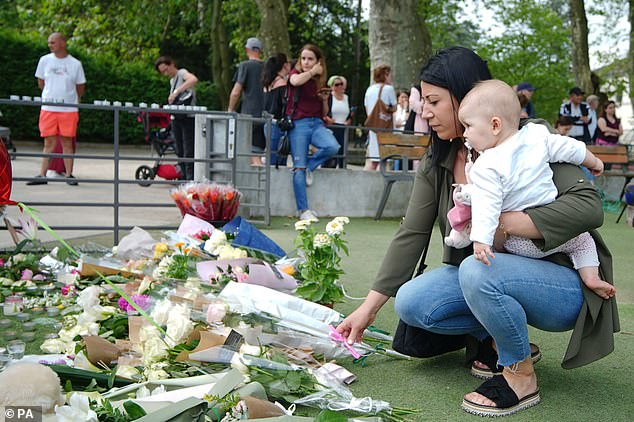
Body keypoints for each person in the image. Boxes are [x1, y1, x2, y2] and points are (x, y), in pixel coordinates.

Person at [336, 47, 618, 417]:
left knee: (474, 268)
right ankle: (502, 340)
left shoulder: (527, 141)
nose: (425, 111)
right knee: (412, 302)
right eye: (424, 100)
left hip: (565, 278)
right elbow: (412, 232)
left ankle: (520, 376)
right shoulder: (437, 159)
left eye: (435, 101)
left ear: (468, 97)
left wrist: (501, 222)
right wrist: (368, 310)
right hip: (493, 271)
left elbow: (588, 207)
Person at [454, 79, 615, 299]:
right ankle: (591, 277)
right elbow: (567, 147)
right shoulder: (536, 135)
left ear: (494, 125)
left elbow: (486, 204)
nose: (465, 134)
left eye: (468, 126)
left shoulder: (486, 164)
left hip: (519, 244)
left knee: (493, 259)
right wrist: (593, 161)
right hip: (551, 228)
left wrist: (481, 240)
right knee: (584, 240)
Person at [286, 44, 339, 221]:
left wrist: (324, 100)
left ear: (318, 61)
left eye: (310, 59)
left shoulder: (320, 80)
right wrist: (311, 72)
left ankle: (310, 167)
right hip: (298, 124)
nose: (306, 62)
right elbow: (295, 82)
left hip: (316, 123)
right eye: (304, 58)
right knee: (298, 168)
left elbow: (324, 113)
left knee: (332, 147)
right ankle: (303, 211)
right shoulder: (296, 74)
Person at [27, 32, 86, 186]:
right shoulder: (44, 60)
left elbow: (80, 86)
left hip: (68, 109)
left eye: (53, 42)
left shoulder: (75, 64)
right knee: (48, 142)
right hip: (48, 107)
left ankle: (68, 175)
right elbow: (41, 83)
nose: (50, 45)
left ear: (63, 43)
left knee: (67, 141)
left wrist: (73, 101)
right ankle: (42, 175)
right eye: (49, 42)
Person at [154, 56, 198, 180]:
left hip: (187, 117)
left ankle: (190, 177)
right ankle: (183, 175)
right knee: (179, 148)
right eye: (162, 72)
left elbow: (193, 79)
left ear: (172, 64)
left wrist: (177, 91)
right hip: (176, 118)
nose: (165, 73)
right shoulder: (172, 80)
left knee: (188, 148)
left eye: (166, 69)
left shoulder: (182, 73)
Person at [228, 37, 265, 166]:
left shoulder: (245, 66)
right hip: (265, 115)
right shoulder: (268, 67)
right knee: (259, 153)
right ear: (260, 50)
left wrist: (230, 109)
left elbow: (236, 91)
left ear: (247, 50)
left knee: (251, 155)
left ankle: (255, 183)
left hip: (249, 115)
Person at [363, 66, 397, 170]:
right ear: (385, 75)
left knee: (373, 159)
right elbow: (394, 107)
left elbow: (367, 107)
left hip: (373, 128)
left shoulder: (370, 89)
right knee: (384, 158)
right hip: (384, 127)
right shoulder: (389, 89)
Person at [262, 53, 291, 167]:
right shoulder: (282, 84)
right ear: (284, 66)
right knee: (278, 160)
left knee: (271, 157)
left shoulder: (268, 83)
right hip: (278, 125)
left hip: (268, 124)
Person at [323, 75, 352, 168]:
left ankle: (342, 168)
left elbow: (350, 112)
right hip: (332, 126)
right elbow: (324, 111)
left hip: (343, 126)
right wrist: (328, 119)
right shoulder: (329, 97)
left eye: (341, 84)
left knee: (342, 150)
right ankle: (328, 167)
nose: (339, 86)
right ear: (332, 86)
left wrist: (349, 120)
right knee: (332, 150)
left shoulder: (347, 98)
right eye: (336, 85)